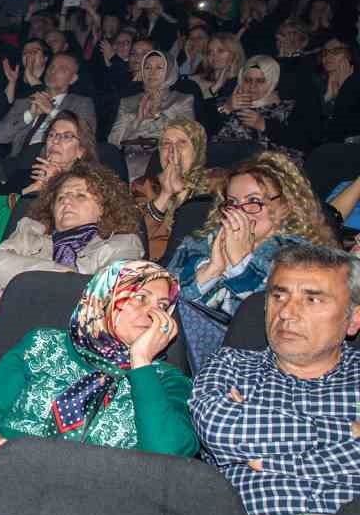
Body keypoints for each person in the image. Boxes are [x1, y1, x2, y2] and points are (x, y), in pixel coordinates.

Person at [190, 243, 360, 515]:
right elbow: (218, 428)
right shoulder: (232, 364)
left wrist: (263, 450)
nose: (288, 312)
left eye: (312, 299)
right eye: (278, 295)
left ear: (352, 320)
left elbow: (237, 432)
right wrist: (349, 431)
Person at [0, 260, 195, 509]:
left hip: (99, 500)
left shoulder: (166, 380)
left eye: (162, 306)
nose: (153, 314)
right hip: (2, 468)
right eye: (141, 297)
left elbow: (167, 457)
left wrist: (141, 363)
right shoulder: (41, 345)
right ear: (105, 297)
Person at [168, 151, 337, 369]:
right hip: (185, 358)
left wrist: (241, 265)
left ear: (285, 205)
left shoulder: (305, 257)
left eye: (254, 202)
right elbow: (164, 297)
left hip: (264, 366)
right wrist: (211, 270)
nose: (241, 213)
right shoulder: (198, 243)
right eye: (232, 203)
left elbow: (280, 320)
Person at [0, 160, 143, 302]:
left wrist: (36, 278)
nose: (66, 201)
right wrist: (66, 275)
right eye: (61, 197)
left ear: (103, 207)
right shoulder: (30, 233)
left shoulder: (123, 243)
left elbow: (108, 290)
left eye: (80, 196)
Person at [130, 120, 226, 260]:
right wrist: (165, 194)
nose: (172, 150)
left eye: (182, 142)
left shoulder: (217, 181)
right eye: (166, 143)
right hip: (154, 267)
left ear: (197, 149)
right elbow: (138, 238)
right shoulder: (143, 185)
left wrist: (182, 195)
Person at [108, 49, 196, 179]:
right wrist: (137, 119)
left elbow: (189, 136)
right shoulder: (128, 101)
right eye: (147, 67)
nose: (152, 72)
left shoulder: (182, 100)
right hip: (130, 157)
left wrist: (158, 114)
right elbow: (113, 141)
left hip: (165, 157)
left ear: (170, 71)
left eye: (159, 68)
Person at [0, 51, 96, 158]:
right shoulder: (25, 101)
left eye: (62, 69)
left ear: (73, 79)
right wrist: (29, 115)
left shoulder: (81, 103)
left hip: (56, 160)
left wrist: (52, 112)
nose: (53, 71)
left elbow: (87, 137)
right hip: (20, 163)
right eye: (51, 66)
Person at [212, 55, 307, 154]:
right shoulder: (227, 101)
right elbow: (203, 133)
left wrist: (264, 124)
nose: (252, 86)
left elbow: (302, 144)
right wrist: (226, 108)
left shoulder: (287, 108)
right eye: (248, 80)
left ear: (272, 82)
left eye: (260, 81)